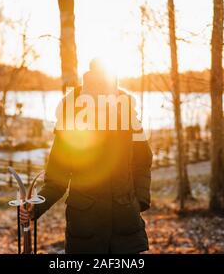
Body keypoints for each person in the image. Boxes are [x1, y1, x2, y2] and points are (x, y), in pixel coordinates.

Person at [20, 58, 153, 254]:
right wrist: (36, 207)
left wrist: (139, 200)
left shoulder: (125, 109)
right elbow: (57, 177)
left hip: (125, 226)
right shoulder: (72, 113)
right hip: (85, 229)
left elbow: (143, 160)